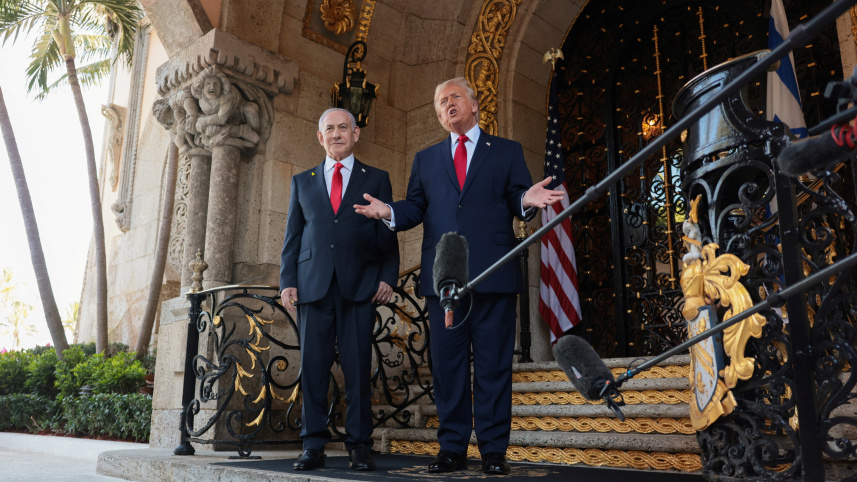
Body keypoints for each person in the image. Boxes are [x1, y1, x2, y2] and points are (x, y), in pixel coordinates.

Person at [355, 78, 563, 475]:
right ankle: (451, 448)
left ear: (474, 104)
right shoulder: (426, 159)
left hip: (493, 272)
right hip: (444, 278)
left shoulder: (506, 151)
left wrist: (526, 199)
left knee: (493, 366)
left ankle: (493, 451)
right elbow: (416, 207)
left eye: (453, 97)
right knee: (448, 367)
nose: (446, 105)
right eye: (439, 102)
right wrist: (389, 212)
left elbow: (518, 196)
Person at [279, 107, 399, 472]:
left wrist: (388, 276)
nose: (336, 134)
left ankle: (359, 445)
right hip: (312, 287)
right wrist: (287, 280)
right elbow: (293, 236)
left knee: (358, 369)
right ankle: (312, 445)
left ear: (355, 133)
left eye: (343, 127)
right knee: (313, 369)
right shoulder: (302, 181)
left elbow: (387, 233)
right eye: (329, 129)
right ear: (320, 137)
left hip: (359, 286)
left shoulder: (376, 178)